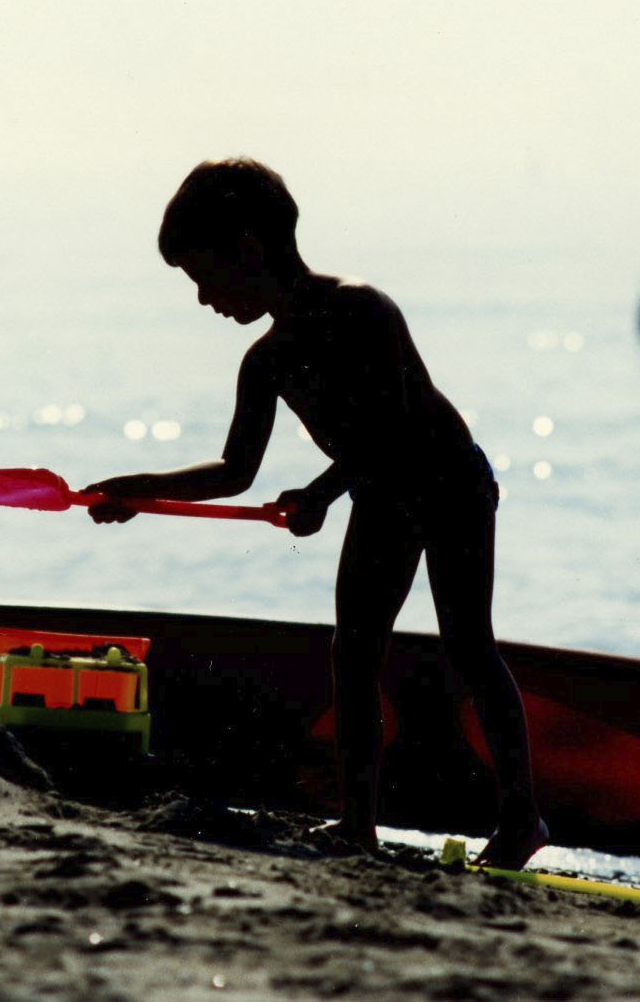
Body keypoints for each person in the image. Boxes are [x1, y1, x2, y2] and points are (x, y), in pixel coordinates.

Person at [83, 158, 547, 869]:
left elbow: (392, 429)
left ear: (248, 247)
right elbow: (234, 471)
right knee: (352, 655)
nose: (203, 298)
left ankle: (522, 818)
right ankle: (357, 824)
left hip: (449, 483)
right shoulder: (263, 362)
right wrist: (136, 491)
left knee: (468, 646)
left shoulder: (363, 310)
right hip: (380, 497)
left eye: (203, 277)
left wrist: (321, 493)